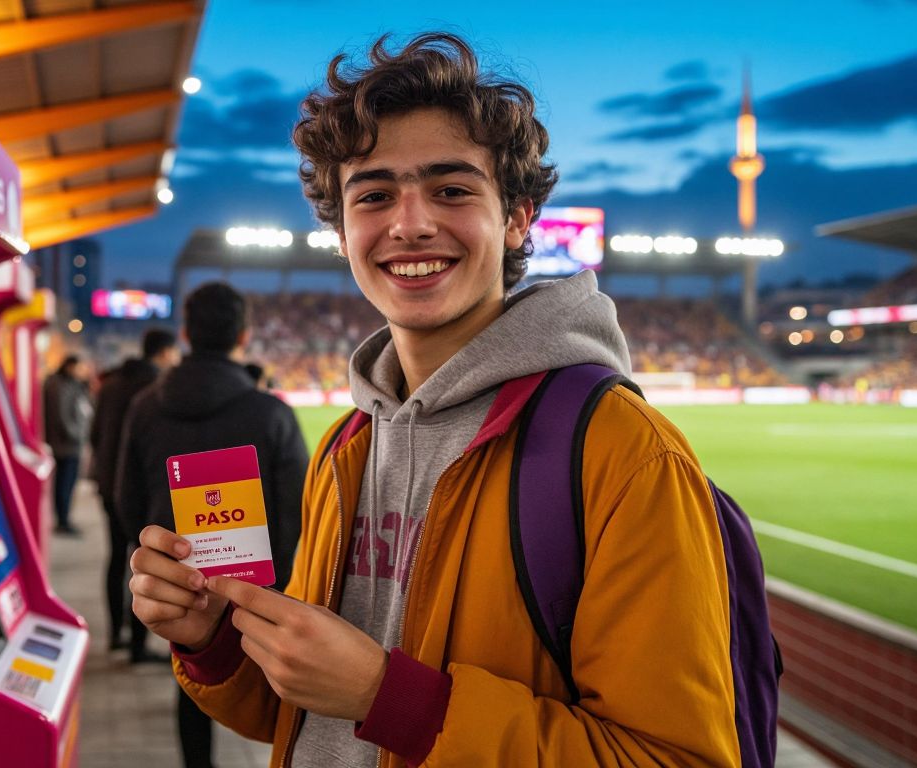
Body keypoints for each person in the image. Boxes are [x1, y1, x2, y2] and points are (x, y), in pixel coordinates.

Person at [129, 33, 740, 767]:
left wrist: (390, 698)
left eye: (451, 190)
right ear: (342, 229)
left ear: (517, 217)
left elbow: (679, 758)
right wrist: (213, 639)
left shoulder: (623, 452)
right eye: (375, 195)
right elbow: (306, 715)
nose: (410, 223)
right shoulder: (349, 444)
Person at [116, 282, 309, 768]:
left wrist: (159, 558)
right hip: (261, 587)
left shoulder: (145, 407)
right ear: (243, 336)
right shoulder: (272, 414)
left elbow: (125, 497)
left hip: (177, 584)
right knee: (280, 689)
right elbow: (297, 508)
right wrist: (283, 578)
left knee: (193, 679)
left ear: (184, 333)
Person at [91, 328, 180, 657]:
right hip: (142, 489)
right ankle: (138, 645)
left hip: (108, 485)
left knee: (116, 558)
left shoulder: (110, 385)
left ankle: (115, 633)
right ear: (165, 352)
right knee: (144, 563)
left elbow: (95, 435)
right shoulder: (158, 390)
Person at [43, 353, 92, 536]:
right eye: (80, 367)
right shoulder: (59, 386)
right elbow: (62, 416)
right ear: (70, 366)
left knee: (68, 483)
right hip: (65, 445)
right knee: (64, 483)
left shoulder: (73, 385)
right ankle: (62, 520)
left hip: (70, 444)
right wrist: (77, 436)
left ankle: (64, 518)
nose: (83, 371)